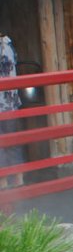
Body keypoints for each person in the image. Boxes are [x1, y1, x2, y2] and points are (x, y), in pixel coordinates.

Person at [0, 34, 23, 186]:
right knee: (12, 141)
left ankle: (5, 182)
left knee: (6, 142)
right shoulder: (8, 45)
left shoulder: (5, 47)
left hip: (4, 102)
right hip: (9, 102)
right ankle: (17, 180)